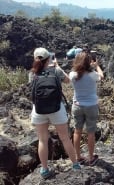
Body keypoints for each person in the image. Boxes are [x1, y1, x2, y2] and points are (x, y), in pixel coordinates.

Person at [29, 47, 81, 179]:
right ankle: (75, 164)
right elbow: (68, 80)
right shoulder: (56, 70)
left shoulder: (32, 73)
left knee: (42, 140)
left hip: (39, 110)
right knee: (64, 138)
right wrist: (57, 66)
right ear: (49, 58)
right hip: (57, 108)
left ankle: (45, 170)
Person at [69, 51, 104, 166]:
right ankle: (91, 157)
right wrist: (97, 66)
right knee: (91, 132)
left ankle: (78, 157)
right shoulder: (92, 74)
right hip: (91, 106)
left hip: (77, 106)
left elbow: (75, 74)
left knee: (77, 131)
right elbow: (101, 76)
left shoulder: (72, 74)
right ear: (88, 62)